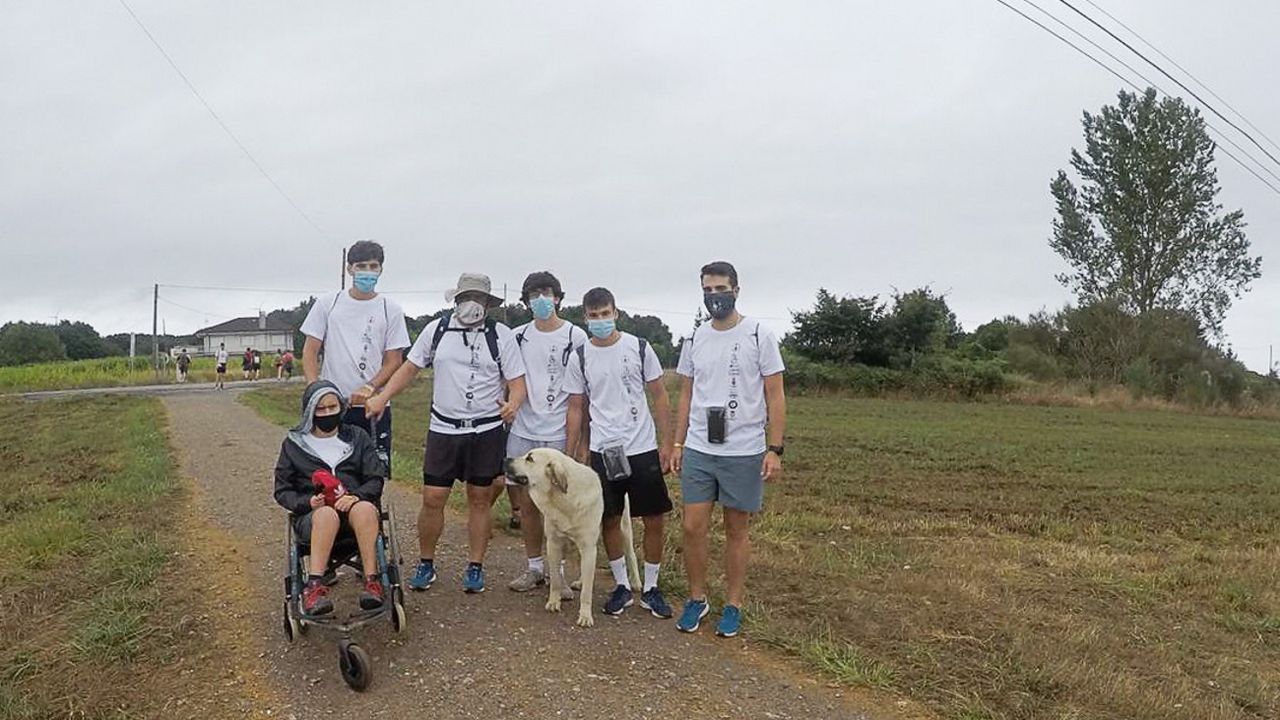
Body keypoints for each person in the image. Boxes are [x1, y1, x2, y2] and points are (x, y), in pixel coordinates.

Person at [366, 272, 527, 594]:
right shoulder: (437, 330)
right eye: (467, 298)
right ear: (455, 300)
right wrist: (382, 396)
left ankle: (475, 567)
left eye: (479, 299)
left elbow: (517, 381)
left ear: (488, 304)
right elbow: (409, 368)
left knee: (480, 499)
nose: (472, 305)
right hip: (443, 428)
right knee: (433, 497)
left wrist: (513, 404)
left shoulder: (501, 335)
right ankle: (426, 562)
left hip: (485, 429)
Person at [672, 261, 787, 638]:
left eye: (720, 289)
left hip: (744, 448)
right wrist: (677, 442)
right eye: (707, 290)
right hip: (700, 446)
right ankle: (696, 598)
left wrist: (775, 448)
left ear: (736, 290)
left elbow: (775, 393)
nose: (713, 297)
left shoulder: (758, 334)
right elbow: (686, 393)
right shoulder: (695, 338)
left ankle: (734, 603)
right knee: (693, 527)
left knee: (736, 529)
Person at [564, 287, 675, 619]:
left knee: (653, 518)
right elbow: (576, 408)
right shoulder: (580, 356)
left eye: (605, 314)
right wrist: (573, 453)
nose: (600, 321)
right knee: (609, 518)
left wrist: (667, 445)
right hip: (603, 449)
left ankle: (651, 588)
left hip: (641, 447)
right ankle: (622, 586)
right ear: (585, 318)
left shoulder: (639, 348)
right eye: (594, 316)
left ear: (616, 313)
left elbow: (660, 396)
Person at [505, 271, 588, 595]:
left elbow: (583, 396)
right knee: (527, 504)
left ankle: (559, 572)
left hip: (558, 431)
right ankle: (534, 567)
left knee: (557, 507)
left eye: (547, 293)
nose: (541, 300)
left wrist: (578, 443)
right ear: (526, 301)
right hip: (524, 430)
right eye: (534, 294)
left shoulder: (575, 336)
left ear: (557, 297)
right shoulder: (517, 336)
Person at [274, 381, 387, 616]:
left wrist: (357, 496)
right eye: (320, 409)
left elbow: (375, 478)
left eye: (332, 407)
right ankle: (314, 587)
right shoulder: (294, 445)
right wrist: (307, 503)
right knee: (326, 514)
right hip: (315, 519)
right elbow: (282, 490)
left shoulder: (357, 437)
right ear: (309, 411)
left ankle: (372, 582)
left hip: (355, 515)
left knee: (365, 508)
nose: (327, 414)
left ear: (341, 407)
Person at [301, 240, 411, 460]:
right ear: (349, 268)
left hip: (372, 406)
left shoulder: (391, 309)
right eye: (361, 266)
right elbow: (310, 351)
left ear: (381, 269)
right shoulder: (328, 303)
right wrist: (316, 391)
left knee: (371, 474)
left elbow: (394, 360)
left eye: (373, 266)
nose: (367, 272)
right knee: (327, 471)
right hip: (331, 404)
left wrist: (370, 387)